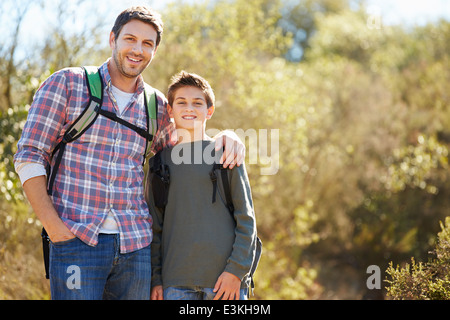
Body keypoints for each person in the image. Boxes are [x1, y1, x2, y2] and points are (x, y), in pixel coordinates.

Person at [13, 6, 244, 300]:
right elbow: (30, 155)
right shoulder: (68, 84)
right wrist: (55, 229)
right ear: (113, 39)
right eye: (130, 39)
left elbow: (182, 157)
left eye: (147, 44)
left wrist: (226, 136)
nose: (138, 49)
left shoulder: (157, 106)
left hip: (136, 248)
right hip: (76, 240)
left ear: (154, 52)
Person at [147, 71, 257, 300]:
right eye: (181, 102)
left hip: (224, 283)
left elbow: (246, 220)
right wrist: (156, 279)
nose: (189, 108)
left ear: (209, 110)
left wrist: (236, 272)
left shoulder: (226, 153)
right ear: (170, 110)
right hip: (175, 284)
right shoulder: (159, 162)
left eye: (197, 103)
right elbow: (154, 225)